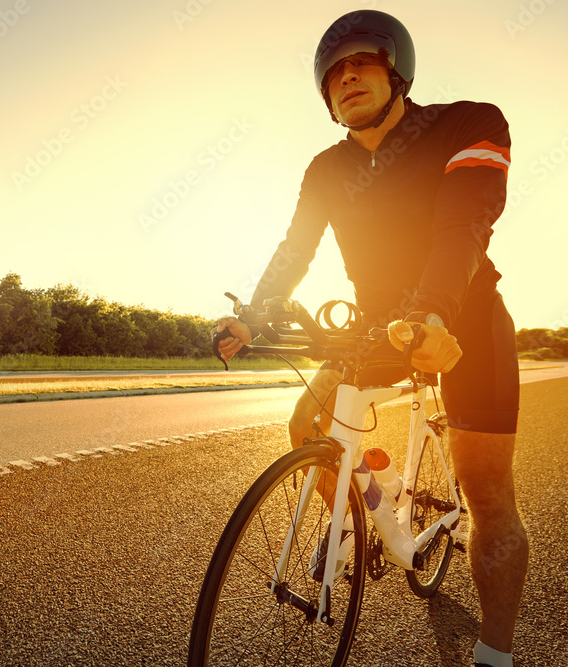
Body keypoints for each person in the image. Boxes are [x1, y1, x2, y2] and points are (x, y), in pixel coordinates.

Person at [214, 11, 527, 667]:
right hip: (374, 326)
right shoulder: (326, 169)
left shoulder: (468, 123)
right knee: (308, 421)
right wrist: (254, 312)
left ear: (397, 68)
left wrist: (437, 313)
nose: (345, 76)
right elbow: (295, 248)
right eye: (332, 72)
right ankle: (364, 518)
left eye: (361, 61)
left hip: (464, 316)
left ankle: (495, 651)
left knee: (486, 490)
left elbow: (463, 224)